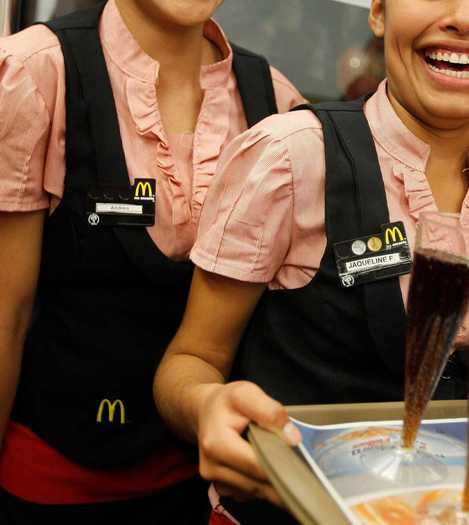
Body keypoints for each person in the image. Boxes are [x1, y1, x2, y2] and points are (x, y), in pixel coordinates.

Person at [153, 0, 469, 522]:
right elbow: (189, 361)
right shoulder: (292, 155)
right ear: (378, 12)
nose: (466, 17)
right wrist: (206, 407)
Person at [0, 0, 305, 523]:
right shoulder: (35, 73)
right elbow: (7, 315)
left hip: (202, 486)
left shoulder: (274, 100)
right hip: (53, 481)